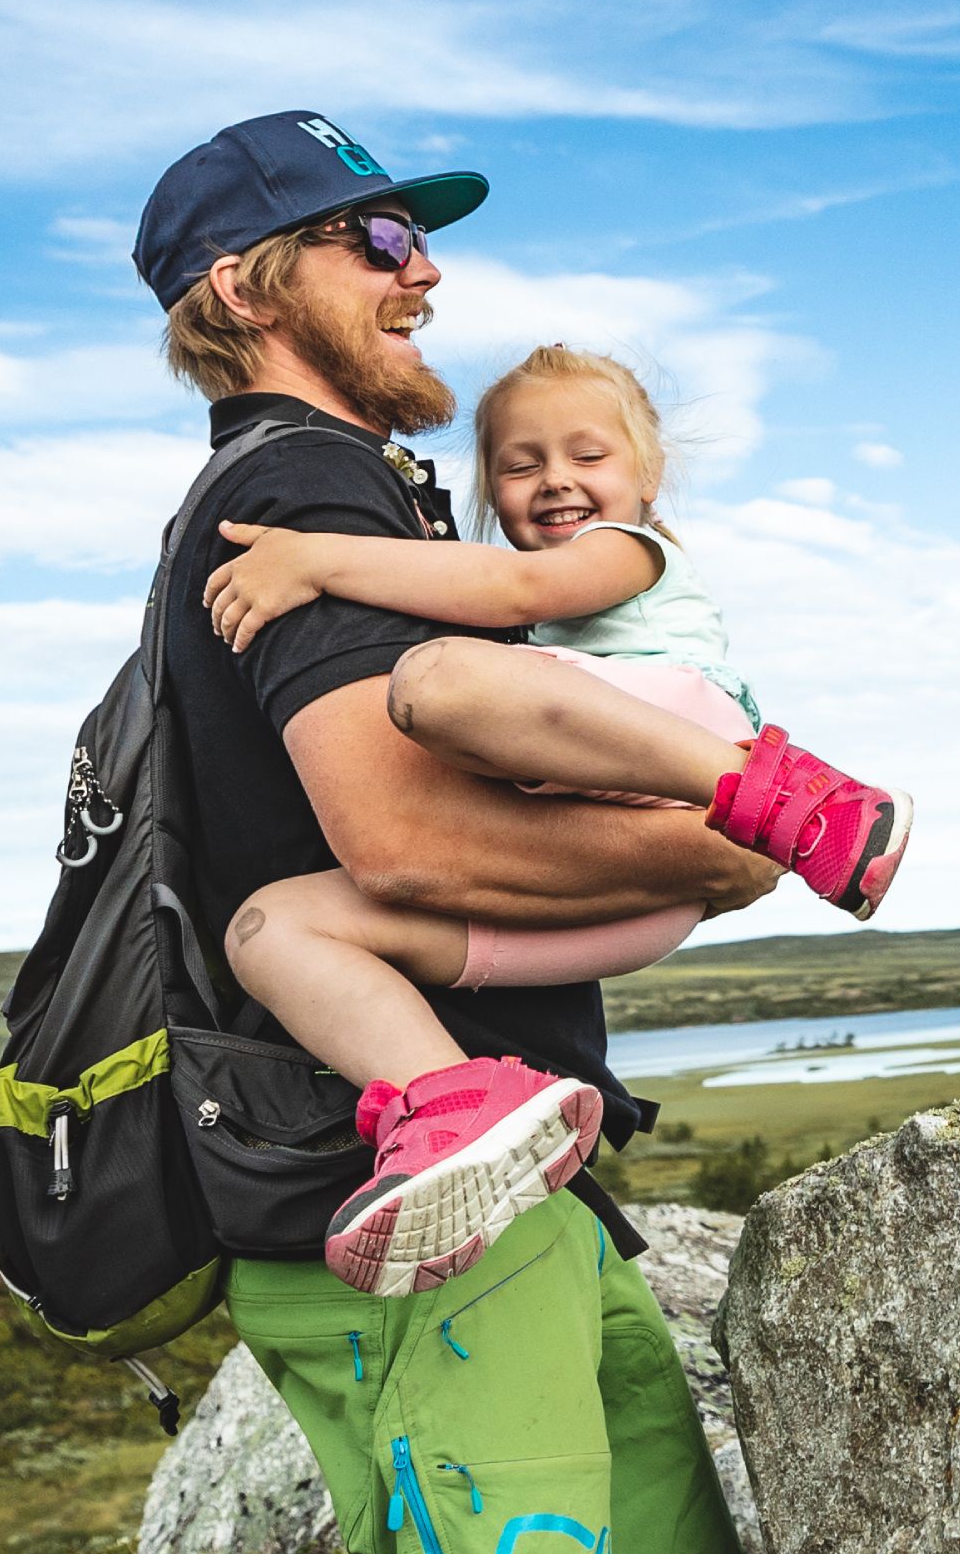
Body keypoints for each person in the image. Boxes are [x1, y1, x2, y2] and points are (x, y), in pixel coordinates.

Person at [127, 111, 765, 1554]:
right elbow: (396, 828)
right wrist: (714, 840)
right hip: (400, 1203)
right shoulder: (297, 484)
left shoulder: (375, 497)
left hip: (521, 1175)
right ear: (248, 289)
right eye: (375, 233)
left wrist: (698, 837)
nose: (424, 269)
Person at [200, 342, 911, 1293]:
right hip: (626, 896)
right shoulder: (523, 615)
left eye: (588, 455)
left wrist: (317, 559)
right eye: (519, 464)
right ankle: (455, 1102)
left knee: (436, 681)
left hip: (677, 745)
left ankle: (799, 799)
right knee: (270, 927)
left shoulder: (630, 552)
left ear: (649, 474)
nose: (555, 480)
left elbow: (517, 588)